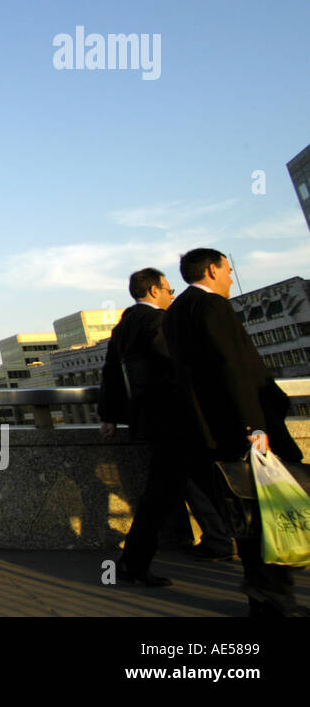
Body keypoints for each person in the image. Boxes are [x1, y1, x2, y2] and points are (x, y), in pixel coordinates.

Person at [162, 248, 306, 616]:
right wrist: (254, 426)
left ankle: (265, 597)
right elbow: (232, 368)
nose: (230, 276)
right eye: (228, 269)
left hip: (208, 433)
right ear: (212, 270)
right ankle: (274, 598)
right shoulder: (213, 307)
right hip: (242, 431)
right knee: (270, 514)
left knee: (250, 519)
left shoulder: (176, 311)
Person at [98, 269, 234, 588]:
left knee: (170, 490)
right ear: (155, 289)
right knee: (207, 486)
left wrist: (109, 415)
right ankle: (251, 550)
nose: (172, 295)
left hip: (154, 423)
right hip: (179, 421)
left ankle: (214, 541)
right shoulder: (158, 322)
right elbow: (177, 368)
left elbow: (111, 372)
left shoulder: (125, 324)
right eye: (169, 289)